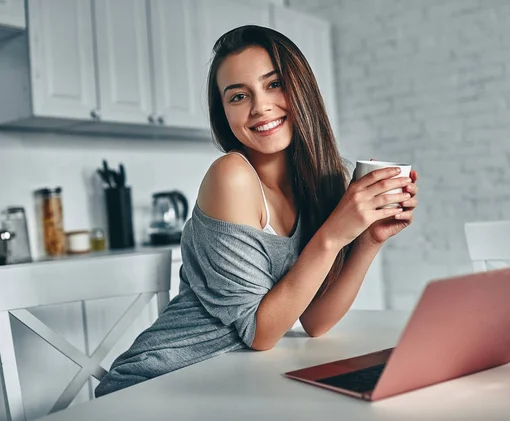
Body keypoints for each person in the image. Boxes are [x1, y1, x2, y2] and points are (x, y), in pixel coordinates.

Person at [95, 25, 418, 397]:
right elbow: (261, 332)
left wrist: (367, 240)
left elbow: (315, 321)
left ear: (303, 89)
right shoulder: (231, 176)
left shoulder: (320, 183)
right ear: (225, 115)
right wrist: (335, 233)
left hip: (232, 384)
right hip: (155, 387)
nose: (260, 106)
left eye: (274, 84)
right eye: (237, 96)